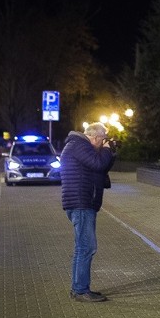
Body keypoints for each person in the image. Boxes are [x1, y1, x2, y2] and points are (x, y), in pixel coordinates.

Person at [60, 122, 116, 302]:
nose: (103, 142)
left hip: (81, 202)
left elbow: (101, 167)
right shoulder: (78, 146)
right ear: (95, 137)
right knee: (87, 247)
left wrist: (109, 152)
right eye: (103, 139)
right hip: (81, 203)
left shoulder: (79, 146)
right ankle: (81, 290)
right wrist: (106, 151)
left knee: (81, 247)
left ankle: (79, 288)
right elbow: (98, 164)